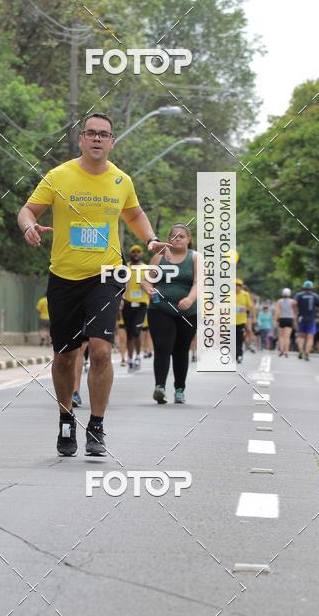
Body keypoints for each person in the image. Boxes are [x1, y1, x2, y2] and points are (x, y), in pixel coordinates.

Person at [17, 112, 170, 457]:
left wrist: (149, 239)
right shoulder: (58, 176)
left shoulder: (121, 180)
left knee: (100, 350)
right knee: (64, 356)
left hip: (107, 275)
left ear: (112, 142)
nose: (97, 138)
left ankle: (97, 425)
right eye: (91, 133)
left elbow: (134, 214)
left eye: (104, 134)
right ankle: (66, 419)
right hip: (64, 277)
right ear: (81, 139)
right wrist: (28, 226)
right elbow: (27, 210)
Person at [144, 223, 198, 404]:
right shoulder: (159, 257)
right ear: (168, 240)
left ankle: (179, 389)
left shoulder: (195, 257)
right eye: (174, 236)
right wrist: (149, 289)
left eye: (181, 236)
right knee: (162, 347)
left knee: (181, 350)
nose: (177, 239)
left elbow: (199, 283)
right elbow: (146, 281)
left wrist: (190, 298)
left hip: (187, 311)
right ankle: (159, 387)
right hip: (160, 309)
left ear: (188, 239)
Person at [122, 244, 150, 371]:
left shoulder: (146, 268)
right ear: (130, 254)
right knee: (129, 334)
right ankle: (130, 358)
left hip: (141, 304)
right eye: (133, 252)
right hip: (127, 304)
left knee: (137, 332)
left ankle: (138, 355)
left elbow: (151, 284)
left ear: (141, 254)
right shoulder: (125, 268)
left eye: (138, 252)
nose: (136, 254)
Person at [294, 280, 319, 360]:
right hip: (311, 319)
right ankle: (307, 352)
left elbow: (294, 304)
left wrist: (296, 312)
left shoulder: (298, 295)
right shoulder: (315, 296)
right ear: (311, 287)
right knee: (310, 337)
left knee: (301, 336)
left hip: (301, 318)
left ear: (304, 287)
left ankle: (300, 351)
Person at [235, 279, 254, 362]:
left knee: (240, 338)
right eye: (235, 286)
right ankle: (235, 354)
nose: (236, 287)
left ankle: (239, 354)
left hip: (241, 320)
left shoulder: (245, 294)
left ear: (240, 287)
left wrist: (244, 308)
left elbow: (250, 306)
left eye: (238, 286)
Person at [274, 287, 296, 357]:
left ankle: (281, 350)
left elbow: (277, 311)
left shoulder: (279, 301)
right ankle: (286, 351)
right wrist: (295, 321)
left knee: (281, 336)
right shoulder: (293, 301)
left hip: (282, 319)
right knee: (287, 336)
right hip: (290, 319)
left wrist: (275, 320)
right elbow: (295, 312)